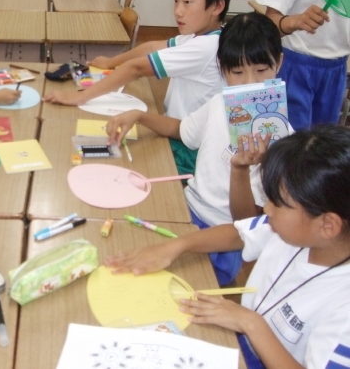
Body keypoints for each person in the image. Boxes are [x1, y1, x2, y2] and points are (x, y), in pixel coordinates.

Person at [106, 125, 350, 369]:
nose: (266, 209)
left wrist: (251, 323)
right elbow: (238, 234)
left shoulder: (344, 311)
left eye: (277, 203)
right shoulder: (298, 230)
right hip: (240, 336)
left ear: (328, 225)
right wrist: (175, 246)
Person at [105, 13, 283, 286]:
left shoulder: (281, 140)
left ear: (278, 63)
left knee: (162, 287)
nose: (250, 83)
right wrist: (139, 116)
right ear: (222, 68)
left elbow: (246, 224)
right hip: (186, 210)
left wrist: (240, 168)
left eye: (261, 70)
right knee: (121, 250)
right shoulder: (219, 103)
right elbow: (182, 130)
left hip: (222, 239)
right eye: (237, 72)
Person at [43, 0, 232, 175]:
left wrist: (81, 97)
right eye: (176, 0)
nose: (178, 11)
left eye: (187, 2)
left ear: (217, 6)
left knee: (114, 162)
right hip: (175, 128)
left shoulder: (206, 47)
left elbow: (137, 69)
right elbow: (151, 47)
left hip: (188, 148)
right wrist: (112, 62)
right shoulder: (201, 37)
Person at [256, 0, 350, 130]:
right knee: (289, 144)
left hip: (336, 71)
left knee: (321, 145)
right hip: (294, 66)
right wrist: (294, 22)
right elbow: (267, 25)